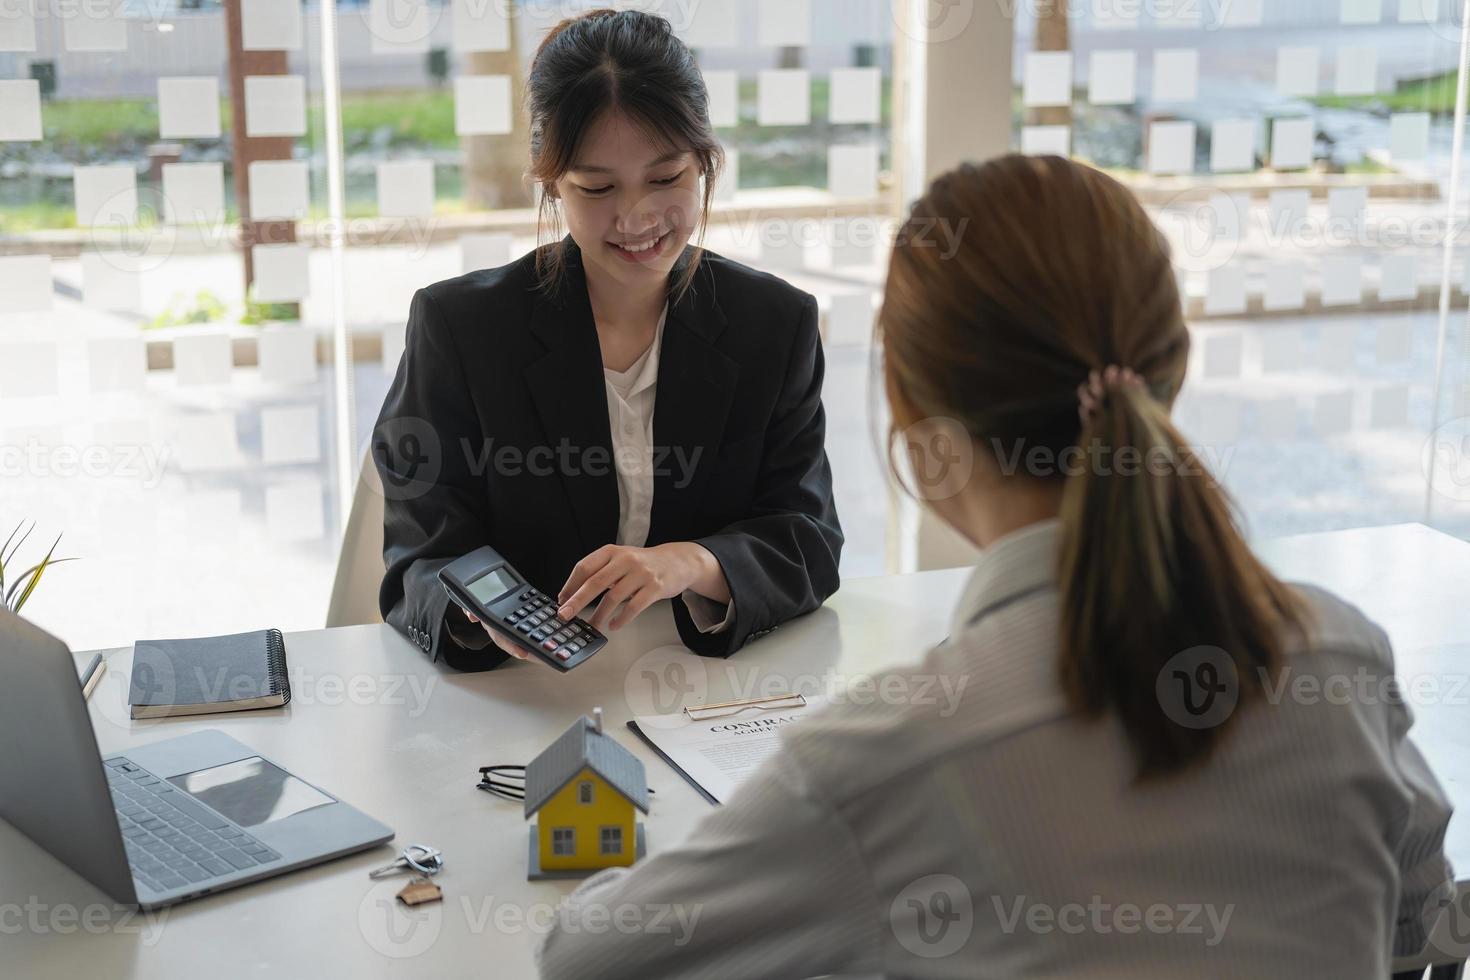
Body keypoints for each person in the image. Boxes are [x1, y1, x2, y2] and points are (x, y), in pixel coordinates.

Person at [533, 155, 1454, 977]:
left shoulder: (888, 761)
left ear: (911, 411)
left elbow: (589, 959)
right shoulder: (1339, 656)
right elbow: (1421, 930)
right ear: (1168, 370)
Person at [373, 9, 842, 670]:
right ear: (551, 180)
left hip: (706, 692)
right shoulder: (461, 330)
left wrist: (691, 562)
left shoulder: (775, 324)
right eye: (597, 187)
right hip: (518, 697)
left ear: (705, 164)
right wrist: (479, 614)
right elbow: (419, 559)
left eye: (666, 178)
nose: (637, 218)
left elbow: (810, 540)